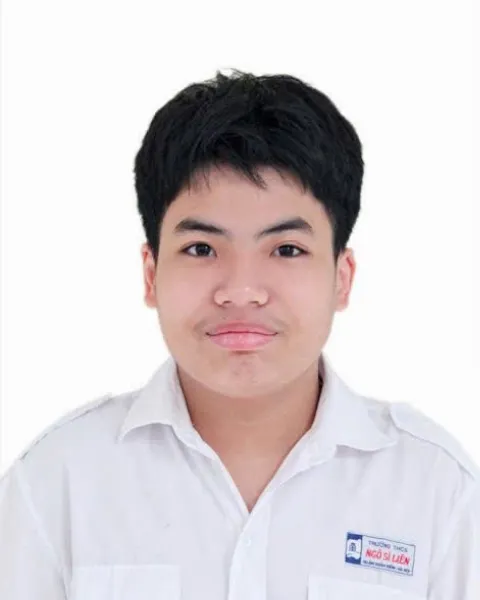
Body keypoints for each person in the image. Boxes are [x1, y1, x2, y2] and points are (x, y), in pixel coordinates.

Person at [0, 69, 478, 600]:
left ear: (341, 279)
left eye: (287, 249)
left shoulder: (436, 491)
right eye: (201, 249)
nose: (242, 291)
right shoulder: (57, 482)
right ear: (151, 275)